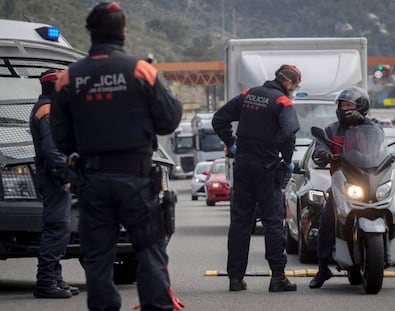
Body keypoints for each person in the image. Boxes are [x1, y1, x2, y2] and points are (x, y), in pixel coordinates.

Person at [49, 2, 183, 310]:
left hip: (93, 180)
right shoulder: (140, 70)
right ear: (123, 31)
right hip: (136, 178)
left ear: (90, 32)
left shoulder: (69, 78)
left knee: (98, 256)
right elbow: (169, 120)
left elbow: (61, 136)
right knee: (149, 247)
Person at [309, 86, 395, 289]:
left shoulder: (373, 127)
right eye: (343, 105)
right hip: (344, 181)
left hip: (373, 179)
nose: (345, 109)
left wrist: (363, 122)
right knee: (327, 219)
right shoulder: (331, 130)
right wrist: (323, 154)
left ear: (362, 107)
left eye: (350, 105)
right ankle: (323, 269)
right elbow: (320, 148)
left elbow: (380, 147)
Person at [212, 64, 301, 292]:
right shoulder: (283, 102)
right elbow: (289, 133)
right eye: (295, 86)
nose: (293, 90)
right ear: (289, 83)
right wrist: (287, 160)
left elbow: (219, 119)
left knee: (241, 222)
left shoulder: (247, 95)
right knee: (272, 221)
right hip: (267, 168)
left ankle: (235, 278)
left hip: (242, 165)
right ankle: (277, 278)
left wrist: (231, 143)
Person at [30, 69, 80, 298]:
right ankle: (46, 282)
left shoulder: (48, 107)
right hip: (54, 178)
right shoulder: (48, 110)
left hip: (52, 176)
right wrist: (66, 176)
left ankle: (55, 279)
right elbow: (53, 150)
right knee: (56, 229)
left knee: (59, 228)